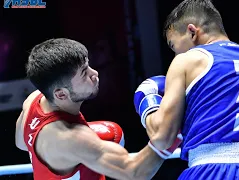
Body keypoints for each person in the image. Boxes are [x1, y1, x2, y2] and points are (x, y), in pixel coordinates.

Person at [133, 0, 239, 179]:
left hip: (211, 171)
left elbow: (162, 138)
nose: (176, 54)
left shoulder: (187, 60)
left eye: (174, 45)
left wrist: (148, 102)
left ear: (192, 32)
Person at [15, 38, 180, 180]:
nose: (95, 74)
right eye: (84, 73)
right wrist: (172, 137)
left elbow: (22, 143)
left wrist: (59, 156)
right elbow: (134, 172)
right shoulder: (72, 138)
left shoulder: (33, 100)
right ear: (61, 95)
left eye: (88, 66)